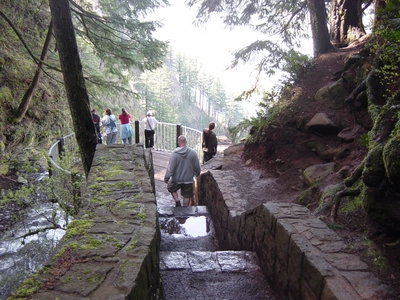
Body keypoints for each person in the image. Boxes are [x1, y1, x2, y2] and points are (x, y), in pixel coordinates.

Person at [164, 135, 201, 207]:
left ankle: (177, 201)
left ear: (178, 142)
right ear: (186, 142)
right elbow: (197, 166)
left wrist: (167, 178)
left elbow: (170, 168)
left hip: (176, 179)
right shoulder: (193, 153)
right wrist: (196, 174)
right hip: (188, 179)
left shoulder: (174, 154)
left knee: (171, 188)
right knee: (187, 195)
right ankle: (185, 210)